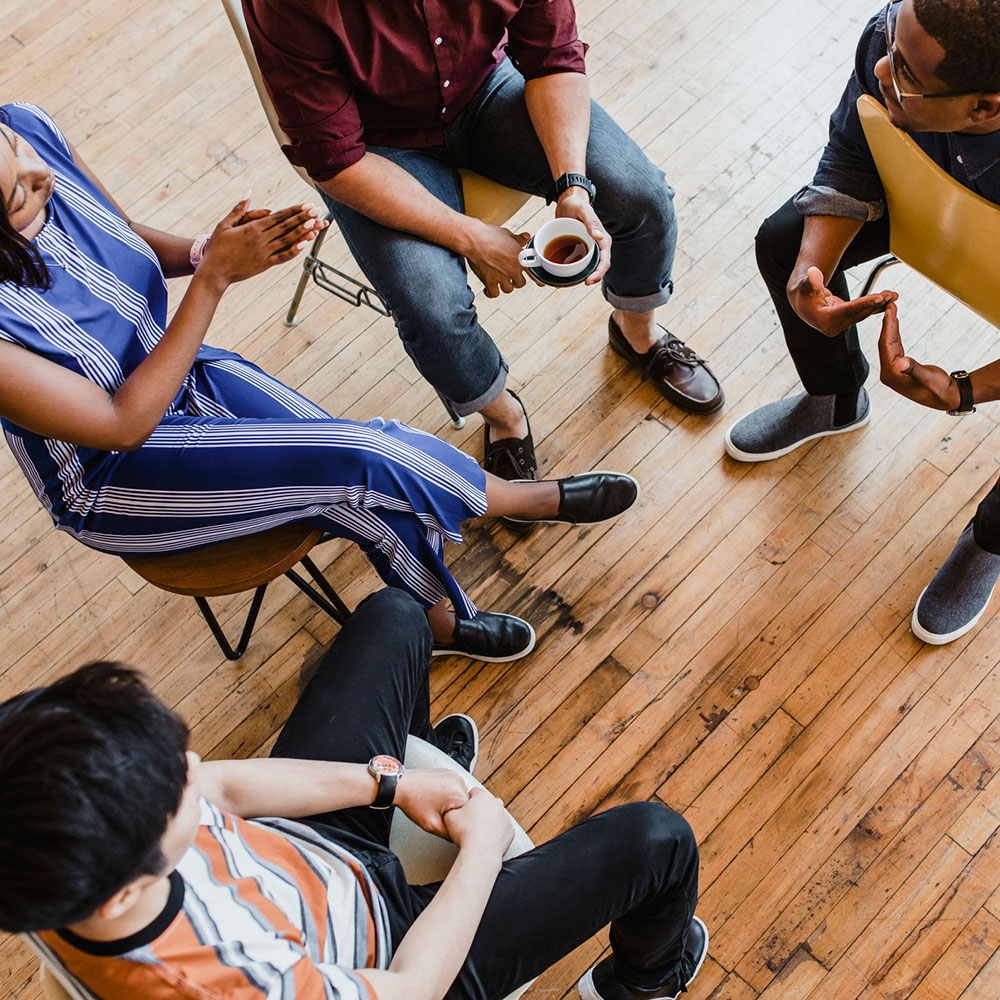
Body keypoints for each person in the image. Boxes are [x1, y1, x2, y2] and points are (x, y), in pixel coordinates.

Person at [0, 101, 641, 664]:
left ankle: (438, 620)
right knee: (365, 457)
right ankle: (519, 499)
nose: (42, 177)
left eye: (20, 154)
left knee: (357, 482)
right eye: (19, 198)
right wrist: (214, 278)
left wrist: (208, 250)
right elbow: (122, 423)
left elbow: (119, 236)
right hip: (117, 473)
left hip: (184, 373)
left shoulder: (27, 126)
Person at [1, 587, 708, 1000]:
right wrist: (480, 853)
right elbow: (409, 991)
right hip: (393, 950)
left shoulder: (42, 831)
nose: (191, 763)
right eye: (172, 784)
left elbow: (223, 784)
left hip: (316, 859)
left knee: (395, 615)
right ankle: (644, 981)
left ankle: (421, 751)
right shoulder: (227, 982)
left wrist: (394, 785)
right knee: (659, 841)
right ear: (127, 892)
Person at [242, 0, 724, 485]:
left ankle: (637, 335)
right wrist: (473, 238)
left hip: (484, 88)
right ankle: (504, 418)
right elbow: (336, 161)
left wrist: (572, 184)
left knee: (643, 196)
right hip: (375, 145)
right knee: (432, 309)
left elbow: (553, 56)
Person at [723, 0, 1000, 645]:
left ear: (986, 107)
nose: (880, 65)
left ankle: (991, 538)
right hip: (933, 213)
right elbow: (853, 149)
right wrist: (809, 276)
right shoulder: (894, 37)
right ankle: (836, 398)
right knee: (783, 239)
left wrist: (966, 388)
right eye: (890, 39)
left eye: (906, 74)